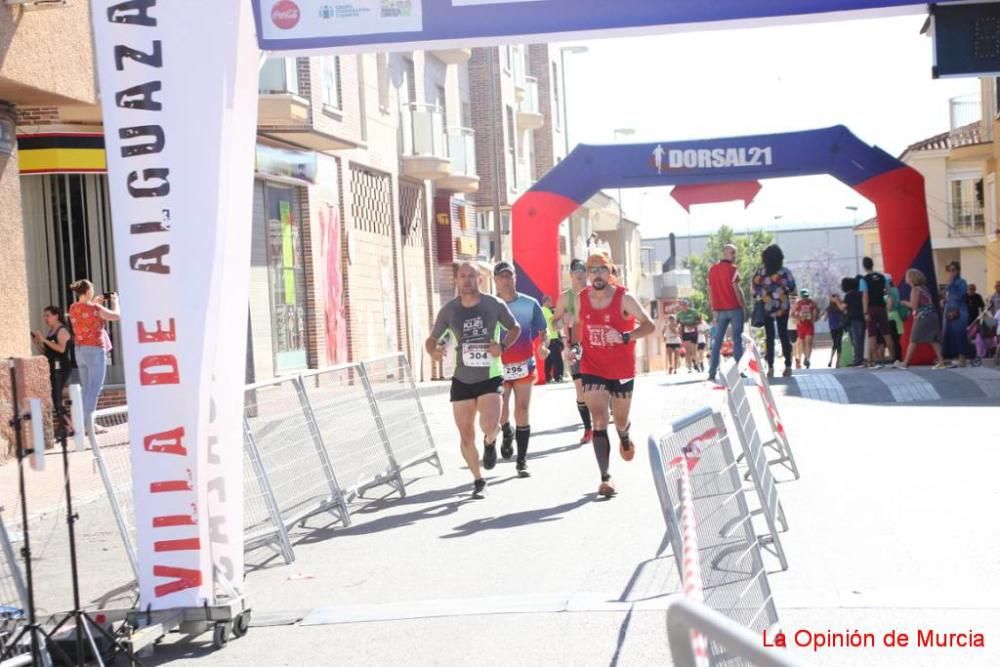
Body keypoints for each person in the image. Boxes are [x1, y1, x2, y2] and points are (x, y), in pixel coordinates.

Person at [427, 262, 521, 498]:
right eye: (462, 276)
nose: (467, 280)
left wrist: (501, 346)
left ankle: (490, 442)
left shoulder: (493, 304)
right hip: (462, 378)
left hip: (489, 374)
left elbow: (515, 328)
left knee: (489, 426)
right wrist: (433, 351)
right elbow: (432, 339)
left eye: (472, 276)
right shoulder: (449, 310)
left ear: (479, 279)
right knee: (466, 434)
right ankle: (478, 480)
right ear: (457, 280)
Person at [571, 253, 655, 498]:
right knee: (598, 418)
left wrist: (625, 337)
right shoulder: (581, 298)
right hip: (592, 366)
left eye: (602, 269)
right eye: (592, 269)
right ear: (587, 274)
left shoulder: (623, 297)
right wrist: (575, 348)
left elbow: (649, 325)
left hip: (621, 369)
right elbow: (578, 326)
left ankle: (624, 435)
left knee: (619, 420)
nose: (597, 274)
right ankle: (605, 477)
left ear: (610, 273)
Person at [494, 262, 549, 478]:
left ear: (515, 278)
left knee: (523, 411)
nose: (505, 280)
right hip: (498, 366)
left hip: (524, 363)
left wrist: (543, 346)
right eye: (501, 276)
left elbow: (543, 330)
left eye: (509, 276)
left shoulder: (530, 303)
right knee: (501, 412)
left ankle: (522, 460)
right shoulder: (490, 304)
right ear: (495, 280)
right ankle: (506, 430)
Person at [68, 279, 119, 435]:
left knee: (86, 389)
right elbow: (116, 316)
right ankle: (89, 425)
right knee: (94, 389)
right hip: (95, 350)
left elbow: (86, 312)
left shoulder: (73, 307)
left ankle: (82, 424)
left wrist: (95, 303)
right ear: (89, 291)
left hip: (80, 351)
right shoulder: (96, 308)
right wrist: (115, 302)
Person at [553, 258, 593, 444]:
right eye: (576, 271)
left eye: (583, 270)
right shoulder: (564, 297)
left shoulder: (596, 292)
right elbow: (554, 324)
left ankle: (606, 407)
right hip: (575, 346)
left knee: (600, 385)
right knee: (580, 388)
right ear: (570, 275)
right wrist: (563, 321)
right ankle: (588, 429)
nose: (580, 274)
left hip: (596, 345)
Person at [751, 244, 796, 378]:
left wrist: (763, 294)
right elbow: (793, 289)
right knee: (783, 335)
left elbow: (754, 290)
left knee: (769, 337)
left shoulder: (760, 272)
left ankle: (770, 367)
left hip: (766, 307)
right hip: (783, 307)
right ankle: (788, 366)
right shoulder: (785, 272)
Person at [706, 243, 745, 382]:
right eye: (733, 253)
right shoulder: (732, 269)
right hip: (734, 308)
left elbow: (709, 290)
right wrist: (743, 304)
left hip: (719, 310)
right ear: (726, 253)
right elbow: (736, 288)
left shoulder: (712, 270)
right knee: (737, 339)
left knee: (717, 341)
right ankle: (739, 370)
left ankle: (712, 372)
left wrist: (713, 308)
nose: (735, 256)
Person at [32, 306, 74, 434]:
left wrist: (44, 340)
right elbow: (47, 353)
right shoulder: (51, 331)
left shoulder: (62, 330)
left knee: (56, 398)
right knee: (55, 398)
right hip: (52, 367)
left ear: (56, 316)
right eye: (44, 316)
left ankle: (70, 427)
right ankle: (66, 426)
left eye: (48, 315)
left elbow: (61, 349)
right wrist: (38, 343)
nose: (45, 318)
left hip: (61, 368)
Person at [895, 268, 945, 369]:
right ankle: (941, 361)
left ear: (911, 278)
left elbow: (914, 305)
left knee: (913, 339)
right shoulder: (924, 288)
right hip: (932, 315)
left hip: (923, 316)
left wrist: (904, 302)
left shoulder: (915, 289)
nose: (906, 278)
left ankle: (905, 363)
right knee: (933, 339)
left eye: (907, 276)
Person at [859, 257, 895, 368]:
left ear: (864, 266)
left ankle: (875, 361)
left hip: (871, 308)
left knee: (872, 335)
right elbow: (888, 292)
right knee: (887, 334)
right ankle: (893, 359)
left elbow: (865, 296)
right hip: (882, 307)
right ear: (872, 264)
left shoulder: (864, 280)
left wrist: (865, 312)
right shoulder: (882, 277)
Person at [941, 261, 970, 366]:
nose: (951, 272)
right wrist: (944, 300)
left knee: (960, 334)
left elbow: (960, 296)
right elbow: (948, 297)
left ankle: (962, 358)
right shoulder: (949, 283)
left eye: (953, 270)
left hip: (960, 311)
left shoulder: (962, 282)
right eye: (949, 270)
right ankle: (954, 357)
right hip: (949, 311)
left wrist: (951, 284)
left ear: (958, 270)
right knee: (950, 334)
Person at [791, 289, 819, 369]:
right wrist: (799, 318)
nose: (805, 298)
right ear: (801, 296)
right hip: (801, 326)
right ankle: (805, 357)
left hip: (809, 325)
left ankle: (808, 359)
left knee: (809, 342)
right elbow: (792, 314)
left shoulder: (811, 302)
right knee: (802, 343)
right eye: (804, 296)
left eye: (806, 296)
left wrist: (815, 317)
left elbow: (818, 309)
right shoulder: (798, 304)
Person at [842, 277, 865, 367]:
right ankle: (859, 358)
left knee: (855, 340)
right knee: (860, 340)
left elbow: (842, 307)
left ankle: (858, 359)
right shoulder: (860, 294)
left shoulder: (849, 295)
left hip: (853, 320)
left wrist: (836, 301)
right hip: (861, 318)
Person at [541, 295, 564, 383]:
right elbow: (555, 320)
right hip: (552, 337)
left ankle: (548, 378)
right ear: (546, 301)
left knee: (549, 360)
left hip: (547, 338)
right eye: (550, 302)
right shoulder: (546, 310)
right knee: (557, 359)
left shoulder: (542, 310)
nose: (551, 304)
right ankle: (558, 377)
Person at [675, 299, 701, 373]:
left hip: (693, 332)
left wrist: (692, 326)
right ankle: (689, 367)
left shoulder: (694, 312)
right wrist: (678, 328)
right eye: (682, 306)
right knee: (687, 351)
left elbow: (700, 321)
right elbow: (677, 323)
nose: (684, 307)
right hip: (685, 333)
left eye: (685, 305)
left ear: (688, 305)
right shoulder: (679, 314)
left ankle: (696, 364)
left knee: (694, 351)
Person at [825, 294, 845, 368]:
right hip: (839, 327)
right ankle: (837, 362)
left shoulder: (829, 308)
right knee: (838, 344)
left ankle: (831, 360)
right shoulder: (839, 306)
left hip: (832, 328)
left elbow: (825, 318)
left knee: (835, 343)